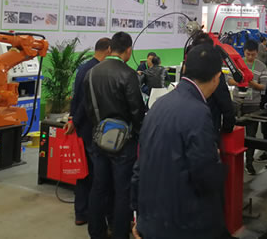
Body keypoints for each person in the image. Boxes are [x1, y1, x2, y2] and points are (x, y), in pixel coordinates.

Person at [132, 44, 226, 239]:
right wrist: (216, 162)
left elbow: (139, 167)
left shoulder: (159, 104)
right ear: (217, 77)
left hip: (152, 220)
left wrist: (139, 219)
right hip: (182, 224)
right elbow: (205, 176)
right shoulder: (198, 112)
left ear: (184, 69)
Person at [84, 32, 145, 239]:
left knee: (98, 188)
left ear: (110, 49)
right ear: (128, 50)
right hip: (124, 144)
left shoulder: (91, 73)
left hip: (98, 139)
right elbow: (137, 111)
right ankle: (120, 234)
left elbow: (88, 106)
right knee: (122, 191)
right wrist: (139, 135)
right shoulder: (128, 75)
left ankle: (96, 232)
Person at [65, 37, 112, 226]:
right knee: (97, 176)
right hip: (91, 129)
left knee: (83, 173)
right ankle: (95, 214)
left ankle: (81, 213)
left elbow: (75, 97)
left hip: (81, 129)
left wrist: (72, 119)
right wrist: (75, 120)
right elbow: (85, 102)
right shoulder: (96, 71)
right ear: (108, 50)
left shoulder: (83, 68)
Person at [230, 39, 267, 175]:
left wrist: (251, 83)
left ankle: (249, 163)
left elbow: (263, 86)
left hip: (253, 105)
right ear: (244, 52)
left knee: (251, 135)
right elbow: (229, 79)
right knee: (233, 133)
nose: (250, 57)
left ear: (257, 53)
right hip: (237, 103)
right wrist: (240, 82)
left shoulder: (262, 67)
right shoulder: (237, 64)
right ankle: (233, 161)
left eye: (253, 54)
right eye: (248, 54)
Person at [187, 33, 235, 136]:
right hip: (209, 129)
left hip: (188, 129)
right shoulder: (214, 73)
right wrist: (227, 128)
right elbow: (225, 102)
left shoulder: (188, 71)